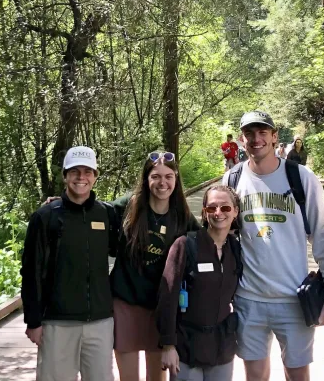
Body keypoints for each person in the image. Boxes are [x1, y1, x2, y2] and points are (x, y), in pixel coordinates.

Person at [222, 111, 324, 381]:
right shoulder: (232, 180)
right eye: (249, 133)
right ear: (242, 139)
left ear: (274, 137)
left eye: (263, 133)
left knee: (296, 373)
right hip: (249, 297)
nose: (256, 139)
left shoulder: (302, 178)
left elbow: (321, 237)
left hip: (294, 299)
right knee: (255, 375)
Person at [20, 146, 118, 381]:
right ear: (65, 175)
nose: (81, 177)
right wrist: (33, 320)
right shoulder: (46, 216)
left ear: (95, 176)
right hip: (56, 322)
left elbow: (123, 255)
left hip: (100, 322)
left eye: (87, 171)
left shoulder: (107, 214)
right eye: (74, 171)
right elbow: (31, 270)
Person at [111, 152, 201, 381]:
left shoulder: (182, 216)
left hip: (161, 309)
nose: (163, 183)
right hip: (126, 303)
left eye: (169, 176)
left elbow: (205, 243)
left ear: (176, 179)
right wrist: (61, 202)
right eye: (156, 176)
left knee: (156, 378)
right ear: (146, 179)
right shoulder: (128, 206)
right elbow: (92, 211)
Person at [157, 185, 242, 381]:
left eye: (226, 208)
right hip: (187, 346)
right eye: (212, 208)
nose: (218, 213)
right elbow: (167, 297)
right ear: (204, 212)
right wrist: (168, 345)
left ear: (235, 211)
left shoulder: (235, 249)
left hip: (221, 347)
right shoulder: (186, 245)